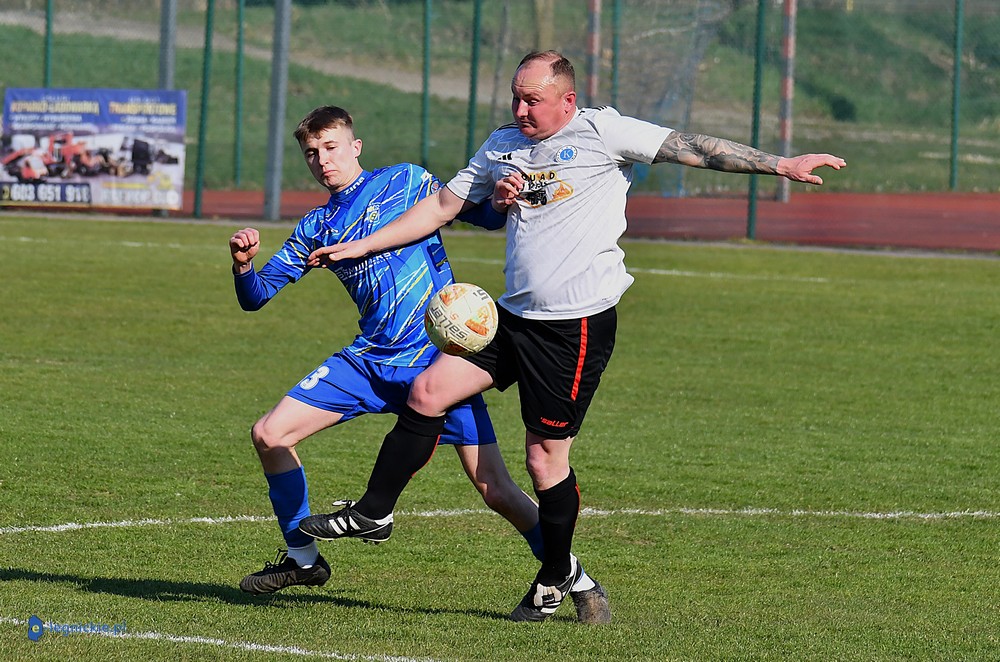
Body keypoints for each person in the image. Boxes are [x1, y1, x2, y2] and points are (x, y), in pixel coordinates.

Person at [299, 51, 846, 623]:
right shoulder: (502, 144)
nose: (521, 110)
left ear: (567, 100)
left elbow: (693, 147)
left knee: (544, 461)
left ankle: (554, 574)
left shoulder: (603, 133)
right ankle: (375, 511)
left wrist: (781, 164)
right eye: (516, 97)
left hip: (574, 328)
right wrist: (360, 246)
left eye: (532, 100)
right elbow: (440, 207)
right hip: (512, 317)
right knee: (428, 391)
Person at [231, 106, 611, 624]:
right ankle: (303, 559)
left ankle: (575, 576)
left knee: (495, 489)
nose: (323, 161)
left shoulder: (407, 182)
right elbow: (256, 297)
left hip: (437, 367)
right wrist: (243, 266)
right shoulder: (316, 226)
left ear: (356, 146)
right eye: (312, 153)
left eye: (331, 148)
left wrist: (500, 202)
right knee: (269, 435)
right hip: (368, 361)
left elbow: (478, 215)